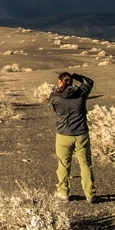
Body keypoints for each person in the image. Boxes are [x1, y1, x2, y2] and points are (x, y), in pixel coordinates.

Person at [49, 71, 95, 203]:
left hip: (63, 134)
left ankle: (63, 192)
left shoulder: (55, 97)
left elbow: (52, 108)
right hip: (81, 134)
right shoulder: (81, 93)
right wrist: (77, 76)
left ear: (60, 82)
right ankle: (90, 194)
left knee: (63, 164)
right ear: (71, 81)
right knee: (85, 164)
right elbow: (89, 82)